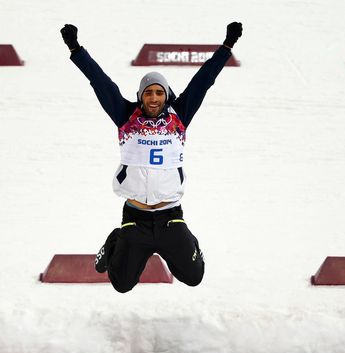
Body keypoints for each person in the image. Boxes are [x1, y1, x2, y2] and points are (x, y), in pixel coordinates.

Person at [60, 21, 242, 293]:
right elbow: (99, 81)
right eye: (148, 93)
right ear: (140, 97)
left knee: (194, 277)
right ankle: (115, 241)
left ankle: (189, 241)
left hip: (170, 217)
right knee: (121, 284)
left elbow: (203, 81)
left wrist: (226, 47)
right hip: (135, 218)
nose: (154, 98)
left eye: (159, 92)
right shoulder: (125, 116)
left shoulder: (179, 116)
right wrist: (76, 49)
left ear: (166, 95)